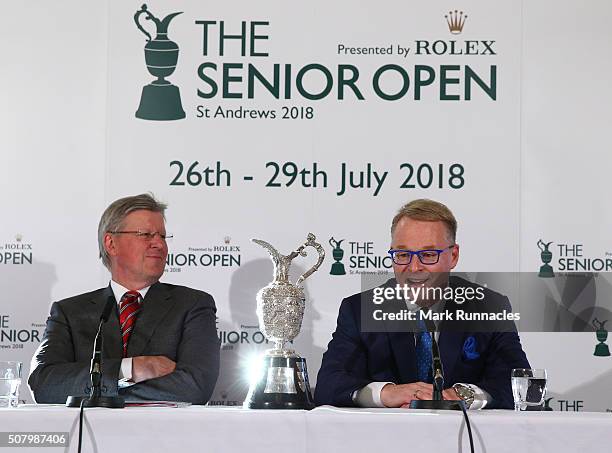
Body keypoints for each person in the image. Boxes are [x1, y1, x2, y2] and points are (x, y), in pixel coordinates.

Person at [315, 199, 530, 409]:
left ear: (453, 256)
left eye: (428, 255)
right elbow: (328, 385)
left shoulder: (489, 307)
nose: (414, 267)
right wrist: (386, 393)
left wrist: (463, 394)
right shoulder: (361, 310)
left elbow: (521, 384)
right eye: (403, 254)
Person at [29, 193, 220, 404]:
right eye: (146, 234)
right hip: (87, 435)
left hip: (163, 436)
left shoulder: (192, 305)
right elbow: (44, 384)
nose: (159, 244)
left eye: (162, 236)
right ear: (111, 243)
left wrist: (98, 392)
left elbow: (194, 388)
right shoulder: (69, 312)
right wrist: (131, 368)